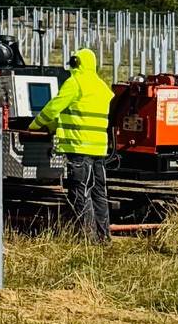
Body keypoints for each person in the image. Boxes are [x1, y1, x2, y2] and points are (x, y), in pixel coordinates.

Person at [31, 47, 115, 242]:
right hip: (99, 149)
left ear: (76, 62)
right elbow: (77, 113)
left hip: (79, 147)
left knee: (80, 192)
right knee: (99, 193)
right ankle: (103, 237)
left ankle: (87, 239)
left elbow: (53, 108)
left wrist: (34, 124)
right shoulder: (101, 86)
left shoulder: (75, 82)